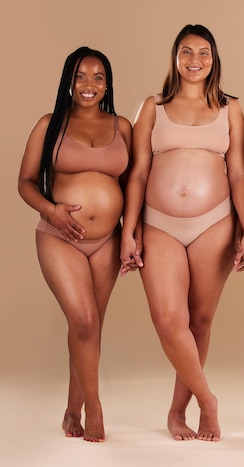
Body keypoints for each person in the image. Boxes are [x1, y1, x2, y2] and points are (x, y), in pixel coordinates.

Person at [120, 24, 244, 441]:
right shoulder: (153, 106)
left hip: (214, 222)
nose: (194, 60)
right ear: (174, 58)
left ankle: (178, 411)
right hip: (158, 224)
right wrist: (129, 230)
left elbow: (238, 173)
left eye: (203, 52)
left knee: (199, 319)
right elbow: (138, 173)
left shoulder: (231, 107)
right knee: (168, 319)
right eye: (186, 52)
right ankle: (207, 399)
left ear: (214, 59)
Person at [17, 47, 132, 442]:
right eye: (81, 76)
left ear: (107, 84)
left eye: (98, 77)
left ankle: (72, 409)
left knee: (90, 328)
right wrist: (52, 212)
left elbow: (133, 187)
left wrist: (130, 235)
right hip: (60, 237)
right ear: (69, 81)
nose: (89, 85)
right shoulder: (50, 124)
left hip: (108, 241)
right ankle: (94, 409)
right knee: (83, 321)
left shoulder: (122, 126)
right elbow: (25, 183)